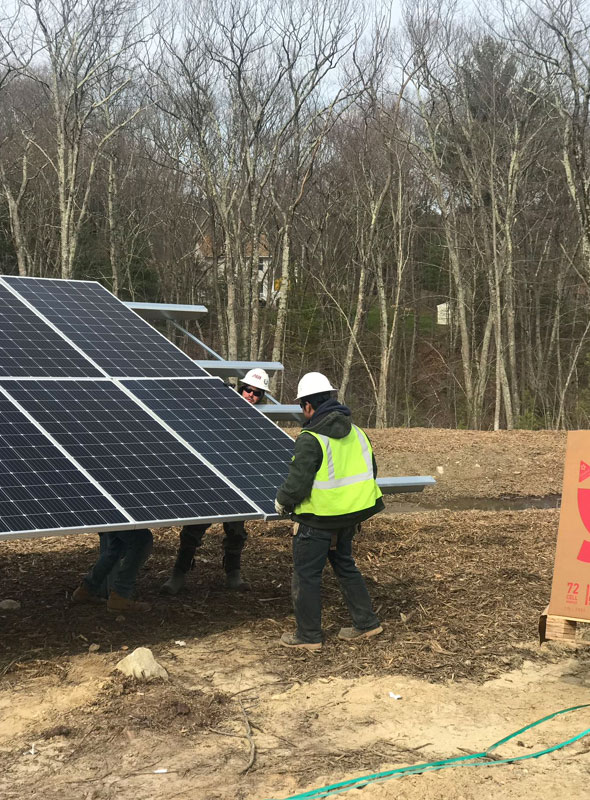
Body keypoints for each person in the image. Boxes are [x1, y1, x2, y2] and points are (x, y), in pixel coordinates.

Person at [274, 372, 384, 651]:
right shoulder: (357, 432)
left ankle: (308, 636)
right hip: (349, 518)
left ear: (309, 406)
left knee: (306, 575)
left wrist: (282, 502)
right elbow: (371, 470)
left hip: (316, 521)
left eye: (302, 407)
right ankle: (367, 623)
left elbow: (298, 483)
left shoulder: (311, 437)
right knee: (345, 566)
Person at [160, 368, 270, 595]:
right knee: (193, 528)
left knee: (236, 532)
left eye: (256, 393)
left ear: (262, 398)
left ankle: (233, 573)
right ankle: (179, 574)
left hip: (240, 482)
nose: (250, 395)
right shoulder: (220, 410)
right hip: (210, 480)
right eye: (247, 390)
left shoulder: (261, 422)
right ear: (241, 389)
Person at [71, 528, 153, 613]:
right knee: (142, 539)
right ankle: (120, 596)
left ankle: (87, 589)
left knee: (118, 545)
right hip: (114, 516)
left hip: (108, 516)